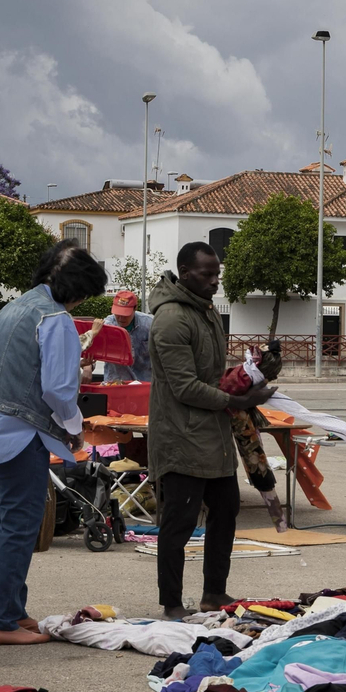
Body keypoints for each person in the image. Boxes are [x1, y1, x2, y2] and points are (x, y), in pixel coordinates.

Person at [0, 241, 107, 645]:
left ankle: (13, 608)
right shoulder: (55, 319)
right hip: (20, 432)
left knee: (15, 521)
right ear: (77, 291)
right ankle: (3, 619)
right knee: (20, 525)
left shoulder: (10, 309)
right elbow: (60, 390)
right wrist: (75, 428)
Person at [148, 242, 274, 619]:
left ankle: (213, 594)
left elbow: (211, 376)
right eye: (207, 274)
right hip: (181, 437)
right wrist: (235, 401)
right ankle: (171, 602)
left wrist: (250, 376)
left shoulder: (205, 312)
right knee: (180, 522)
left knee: (226, 510)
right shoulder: (171, 318)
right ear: (185, 272)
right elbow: (184, 386)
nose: (215, 282)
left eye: (217, 274)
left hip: (213, 434)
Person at [104, 290, 153, 383]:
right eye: (118, 314)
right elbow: (93, 351)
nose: (121, 318)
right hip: (115, 383)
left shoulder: (149, 324)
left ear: (135, 308)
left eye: (125, 314)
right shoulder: (107, 326)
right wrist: (88, 367)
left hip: (144, 383)